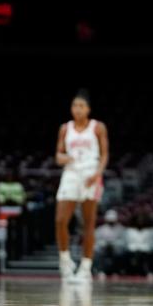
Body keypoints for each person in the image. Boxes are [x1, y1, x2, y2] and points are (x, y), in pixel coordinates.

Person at [55, 90, 109, 282]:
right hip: (71, 173)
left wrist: (97, 174)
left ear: (88, 109)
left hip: (90, 173)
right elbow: (58, 155)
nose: (77, 109)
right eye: (74, 106)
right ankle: (65, 260)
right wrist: (65, 157)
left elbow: (104, 155)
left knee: (88, 223)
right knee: (61, 220)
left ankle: (86, 267)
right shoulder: (65, 128)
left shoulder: (97, 127)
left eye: (81, 106)